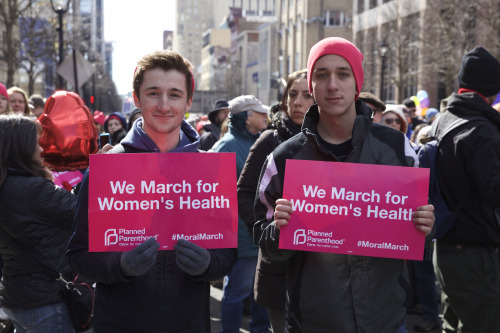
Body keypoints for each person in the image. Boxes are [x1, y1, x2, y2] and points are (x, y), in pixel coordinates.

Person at [253, 37, 435, 332]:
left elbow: (419, 235)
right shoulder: (284, 158)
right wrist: (279, 231)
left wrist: (427, 226)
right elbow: (263, 239)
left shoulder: (396, 148)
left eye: (343, 74)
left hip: (387, 320)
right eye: (321, 75)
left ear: (357, 83)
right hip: (313, 322)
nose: (333, 85)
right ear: (312, 86)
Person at [67, 50, 238, 332]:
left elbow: (228, 255)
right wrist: (121, 264)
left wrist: (208, 265)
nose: (164, 105)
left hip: (189, 323)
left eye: (174, 94)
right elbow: (77, 256)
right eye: (153, 93)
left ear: (188, 101)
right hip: (120, 323)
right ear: (137, 98)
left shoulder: (210, 170)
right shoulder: (107, 167)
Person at [237, 69, 314, 333]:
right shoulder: (270, 140)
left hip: (324, 274)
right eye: (292, 94)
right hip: (279, 268)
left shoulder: (333, 143)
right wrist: (265, 231)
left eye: (307, 95)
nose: (298, 102)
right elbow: (244, 192)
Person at [433, 46, 500, 333]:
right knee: (482, 324)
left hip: (447, 246)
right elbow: (494, 191)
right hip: (474, 252)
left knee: (453, 324)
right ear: (492, 91)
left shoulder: (442, 121)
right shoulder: (481, 131)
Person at [0, 115, 77, 332]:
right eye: (35, 143)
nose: (41, 150)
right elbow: (82, 210)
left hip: (19, 295)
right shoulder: (32, 189)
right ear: (20, 148)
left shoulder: (7, 184)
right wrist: (98, 168)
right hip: (45, 302)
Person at [213, 95, 271, 333]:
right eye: (259, 113)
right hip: (241, 236)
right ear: (247, 118)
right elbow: (216, 197)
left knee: (262, 291)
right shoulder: (226, 146)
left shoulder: (259, 142)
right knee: (237, 291)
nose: (265, 116)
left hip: (260, 233)